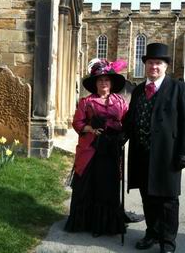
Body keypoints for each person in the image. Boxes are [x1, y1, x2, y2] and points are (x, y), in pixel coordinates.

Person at [123, 43, 185, 253]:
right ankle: (152, 234)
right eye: (151, 63)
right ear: (145, 65)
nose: (154, 67)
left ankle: (168, 243)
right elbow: (130, 121)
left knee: (168, 201)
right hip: (142, 154)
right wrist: (117, 138)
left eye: (159, 63)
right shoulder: (138, 91)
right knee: (148, 197)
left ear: (166, 66)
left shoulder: (178, 88)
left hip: (167, 155)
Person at [64, 59, 128, 237]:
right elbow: (77, 123)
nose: (103, 83)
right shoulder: (86, 102)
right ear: (95, 83)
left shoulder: (120, 102)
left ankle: (106, 224)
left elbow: (126, 121)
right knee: (89, 185)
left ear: (111, 83)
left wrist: (123, 134)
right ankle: (86, 222)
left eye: (106, 80)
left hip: (111, 151)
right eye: (100, 80)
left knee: (107, 187)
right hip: (91, 149)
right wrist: (90, 129)